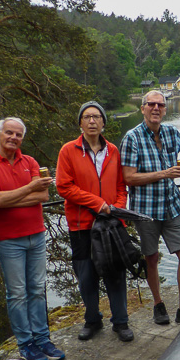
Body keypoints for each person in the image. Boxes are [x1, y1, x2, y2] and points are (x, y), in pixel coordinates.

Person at [0, 117, 64, 360]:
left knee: (37, 289)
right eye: (9, 133)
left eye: (18, 134)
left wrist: (5, 199)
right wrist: (28, 188)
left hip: (36, 234)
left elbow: (43, 196)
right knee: (16, 294)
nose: (13, 138)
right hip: (8, 240)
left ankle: (42, 339)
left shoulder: (31, 162)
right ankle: (26, 344)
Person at [56, 101, 133, 342]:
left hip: (111, 224)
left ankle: (121, 321)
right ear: (80, 123)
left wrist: (118, 207)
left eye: (97, 117)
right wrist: (97, 203)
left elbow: (121, 186)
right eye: (87, 117)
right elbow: (64, 186)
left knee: (115, 272)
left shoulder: (113, 150)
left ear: (103, 122)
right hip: (82, 225)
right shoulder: (68, 151)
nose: (92, 121)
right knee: (86, 275)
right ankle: (92, 319)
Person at [120, 90, 180, 325]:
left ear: (165, 109)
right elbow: (129, 177)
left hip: (171, 206)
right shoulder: (132, 138)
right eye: (151, 104)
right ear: (142, 108)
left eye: (160, 105)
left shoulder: (171, 132)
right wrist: (165, 173)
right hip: (146, 211)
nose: (156, 108)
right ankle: (158, 303)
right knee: (151, 257)